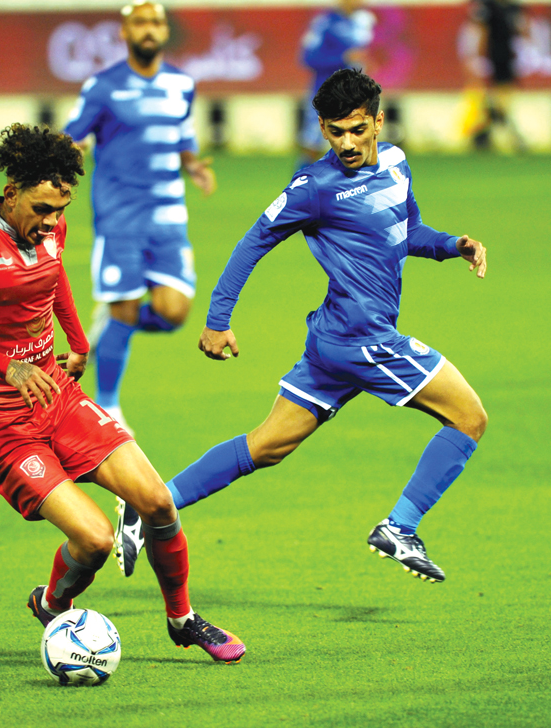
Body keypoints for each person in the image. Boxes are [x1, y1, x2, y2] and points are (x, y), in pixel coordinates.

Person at [115, 69, 488, 584]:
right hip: (364, 341)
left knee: (267, 446)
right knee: (469, 418)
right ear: (322, 128)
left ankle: (148, 503)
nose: (348, 143)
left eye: (358, 129)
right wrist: (218, 320)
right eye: (336, 132)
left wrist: (451, 246)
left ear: (379, 121)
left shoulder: (398, 165)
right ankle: (400, 526)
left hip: (333, 339)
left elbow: (406, 231)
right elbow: (252, 243)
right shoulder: (314, 187)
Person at [0, 123, 243, 664]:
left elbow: (55, 275)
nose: (50, 223)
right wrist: (6, 366)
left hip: (55, 393)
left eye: (60, 211)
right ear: (11, 193)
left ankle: (181, 620)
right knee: (94, 539)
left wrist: (78, 339)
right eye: (41, 209)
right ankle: (53, 602)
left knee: (156, 500)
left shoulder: (48, 229)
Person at [63, 0, 216, 433]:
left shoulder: (182, 84)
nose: (149, 30)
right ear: (124, 34)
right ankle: (108, 407)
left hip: (168, 215)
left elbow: (182, 131)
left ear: (165, 32)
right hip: (120, 217)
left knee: (174, 312)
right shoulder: (103, 86)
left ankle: (108, 329)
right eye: (140, 23)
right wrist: (70, 157)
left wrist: (193, 165)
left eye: (156, 22)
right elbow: (75, 137)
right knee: (126, 310)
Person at [297, 0, 376, 170]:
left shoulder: (365, 21)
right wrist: (343, 58)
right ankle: (297, 192)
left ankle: (354, 194)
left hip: (355, 95)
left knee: (359, 146)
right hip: (326, 93)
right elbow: (309, 58)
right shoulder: (325, 23)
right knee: (312, 147)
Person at [460, 0, 527, 151]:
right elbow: (481, 29)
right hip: (494, 57)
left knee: (502, 99)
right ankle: (500, 135)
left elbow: (521, 30)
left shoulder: (514, 8)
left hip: (508, 57)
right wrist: (478, 54)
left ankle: (486, 134)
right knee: (498, 99)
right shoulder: (488, 6)